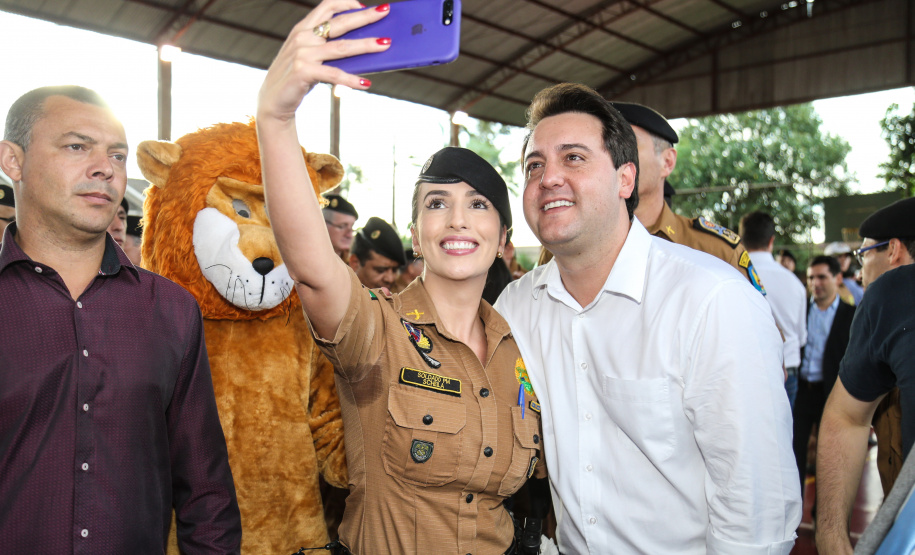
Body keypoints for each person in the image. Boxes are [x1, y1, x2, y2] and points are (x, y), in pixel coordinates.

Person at [256, 5, 545, 553]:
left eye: (478, 205)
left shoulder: (522, 347)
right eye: (439, 203)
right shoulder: (378, 330)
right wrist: (275, 118)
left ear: (504, 238)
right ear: (418, 234)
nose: (458, 219)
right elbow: (315, 271)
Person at [496, 82, 799, 554]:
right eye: (534, 165)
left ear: (625, 179)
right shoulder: (515, 308)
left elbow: (757, 507)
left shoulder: (711, 300)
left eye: (573, 158)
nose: (548, 177)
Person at [0, 85, 240, 552]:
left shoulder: (170, 310)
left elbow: (206, 492)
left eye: (117, 154)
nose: (105, 168)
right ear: (13, 161)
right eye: (76, 146)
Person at [815, 197, 915, 555]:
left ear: (895, 250)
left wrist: (830, 535)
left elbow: (846, 415)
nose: (860, 270)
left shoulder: (891, 294)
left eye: (865, 254)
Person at [610, 101, 766, 295]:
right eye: (607, 147)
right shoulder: (579, 249)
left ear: (667, 162)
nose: (613, 157)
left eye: (627, 146)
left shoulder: (716, 252)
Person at [793, 255, 855, 500]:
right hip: (802, 392)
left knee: (828, 458)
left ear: (838, 278)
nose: (815, 283)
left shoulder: (851, 315)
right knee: (794, 452)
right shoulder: (801, 311)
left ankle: (824, 513)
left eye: (821, 277)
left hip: (831, 394)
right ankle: (793, 510)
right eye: (810, 277)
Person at [740, 211, 807, 408]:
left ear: (741, 239)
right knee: (784, 434)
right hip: (788, 367)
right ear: (771, 241)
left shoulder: (733, 273)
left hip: (746, 368)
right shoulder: (794, 283)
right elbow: (801, 336)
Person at [348, 216, 405, 290]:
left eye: (394, 270)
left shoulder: (400, 297)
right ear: (355, 263)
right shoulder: (337, 298)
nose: (390, 279)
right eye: (380, 270)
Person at [323, 192, 358, 259]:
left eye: (352, 227)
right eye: (342, 226)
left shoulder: (351, 265)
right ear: (324, 225)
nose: (349, 235)